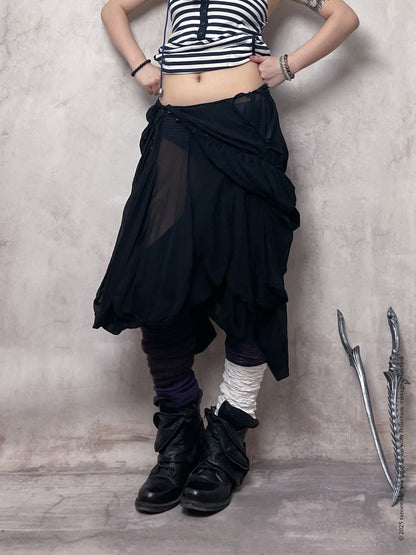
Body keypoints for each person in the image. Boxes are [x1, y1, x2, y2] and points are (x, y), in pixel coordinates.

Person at [93, 0, 359, 514]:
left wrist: (286, 66)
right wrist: (141, 64)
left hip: (244, 128)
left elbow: (344, 17)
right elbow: (113, 9)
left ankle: (227, 442)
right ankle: (179, 438)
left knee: (249, 277)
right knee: (156, 277)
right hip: (175, 130)